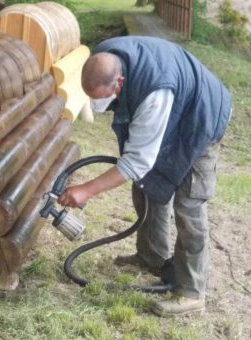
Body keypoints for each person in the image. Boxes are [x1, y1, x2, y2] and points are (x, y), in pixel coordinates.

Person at [58, 36, 232, 316]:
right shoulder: (104, 58)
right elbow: (143, 168)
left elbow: (137, 162)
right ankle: (151, 256)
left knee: (188, 205)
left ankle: (190, 292)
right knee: (147, 185)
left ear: (119, 84)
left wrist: (87, 190)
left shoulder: (154, 92)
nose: (98, 105)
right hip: (176, 102)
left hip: (201, 118)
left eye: (102, 98)